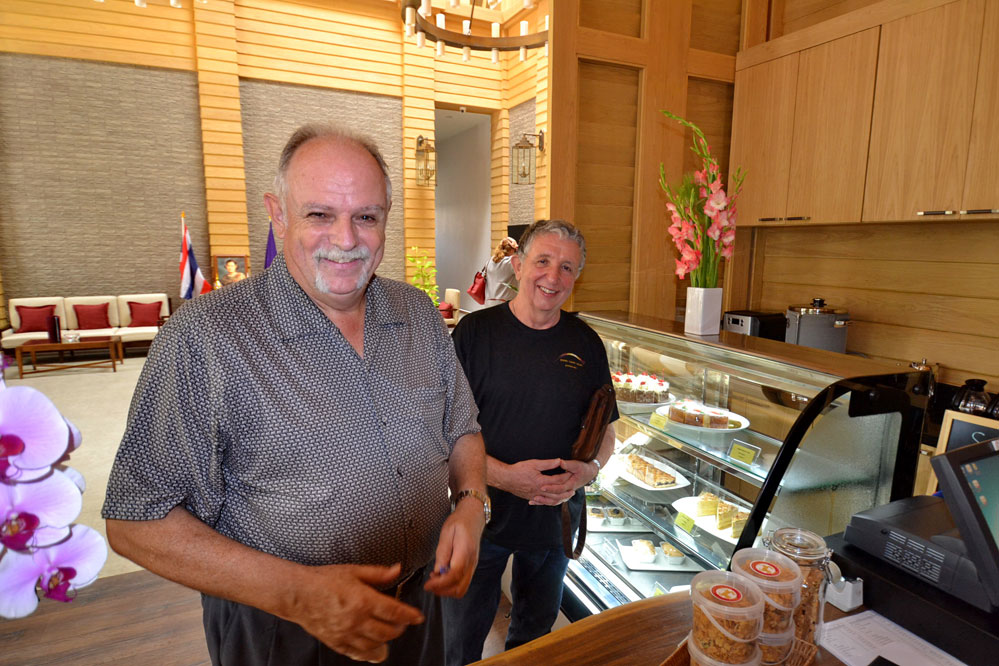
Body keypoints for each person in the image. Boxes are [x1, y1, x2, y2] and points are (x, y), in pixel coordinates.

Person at [102, 124, 489, 666]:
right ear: (278, 215)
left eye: (366, 217)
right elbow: (135, 519)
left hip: (422, 605)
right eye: (320, 214)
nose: (346, 239)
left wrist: (471, 503)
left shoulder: (418, 313)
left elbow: (462, 428)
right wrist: (297, 594)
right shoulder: (206, 336)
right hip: (284, 631)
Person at [443, 219, 619, 665]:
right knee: (460, 636)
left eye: (567, 267)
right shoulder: (474, 334)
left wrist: (591, 471)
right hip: (480, 511)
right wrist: (506, 478)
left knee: (535, 641)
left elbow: (607, 430)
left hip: (553, 519)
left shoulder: (587, 343)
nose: (553, 277)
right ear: (518, 266)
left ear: (576, 278)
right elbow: (442, 431)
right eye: (543, 261)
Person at [482, 237, 518, 303]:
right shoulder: (510, 262)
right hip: (504, 303)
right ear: (512, 250)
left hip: (489, 303)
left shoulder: (490, 261)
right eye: (515, 250)